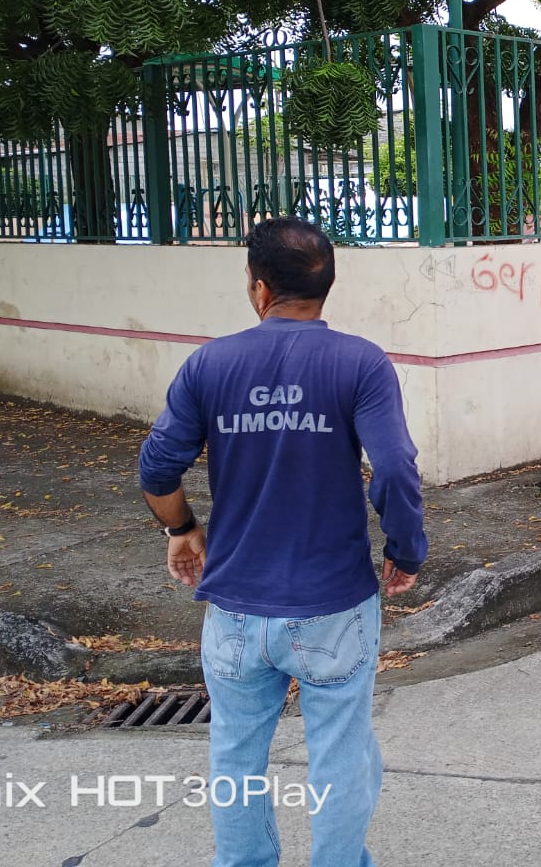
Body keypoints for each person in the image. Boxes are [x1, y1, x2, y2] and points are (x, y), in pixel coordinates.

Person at [139, 217, 427, 867]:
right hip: (333, 605)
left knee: (235, 754)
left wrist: (182, 530)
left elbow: (156, 468)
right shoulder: (360, 363)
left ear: (260, 288)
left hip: (236, 606)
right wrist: (405, 549)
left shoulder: (210, 363)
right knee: (341, 756)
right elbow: (395, 468)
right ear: (326, 284)